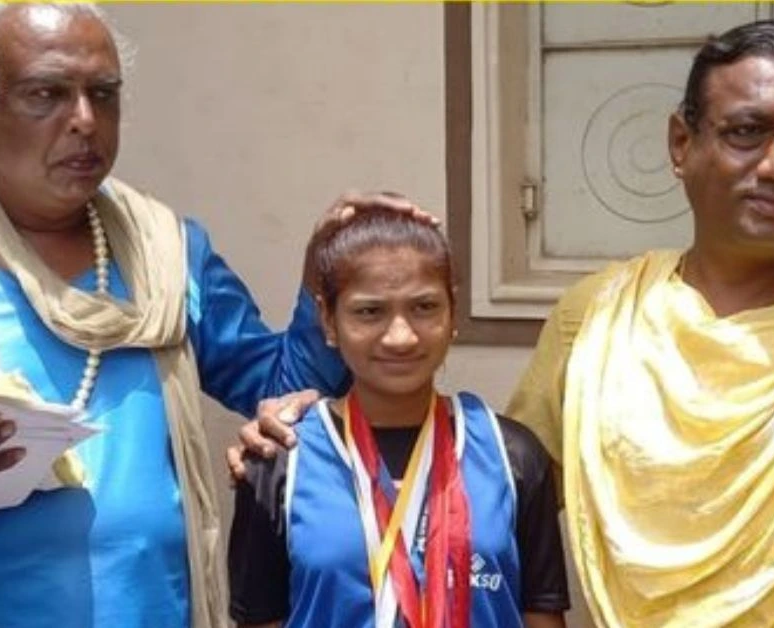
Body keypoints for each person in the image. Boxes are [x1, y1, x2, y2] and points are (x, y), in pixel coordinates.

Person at [235, 19, 774, 628]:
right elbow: (485, 495)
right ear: (683, 144)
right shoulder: (602, 319)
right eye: (748, 130)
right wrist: (310, 441)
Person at [0, 4, 424, 627]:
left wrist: (324, 277)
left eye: (102, 94)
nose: (84, 120)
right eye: (47, 94)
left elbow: (280, 392)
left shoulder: (168, 255)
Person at [227, 208, 569, 628]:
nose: (401, 336)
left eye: (425, 307)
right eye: (369, 312)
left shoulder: (511, 455)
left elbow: (542, 616)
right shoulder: (280, 462)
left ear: (453, 313)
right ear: (328, 321)